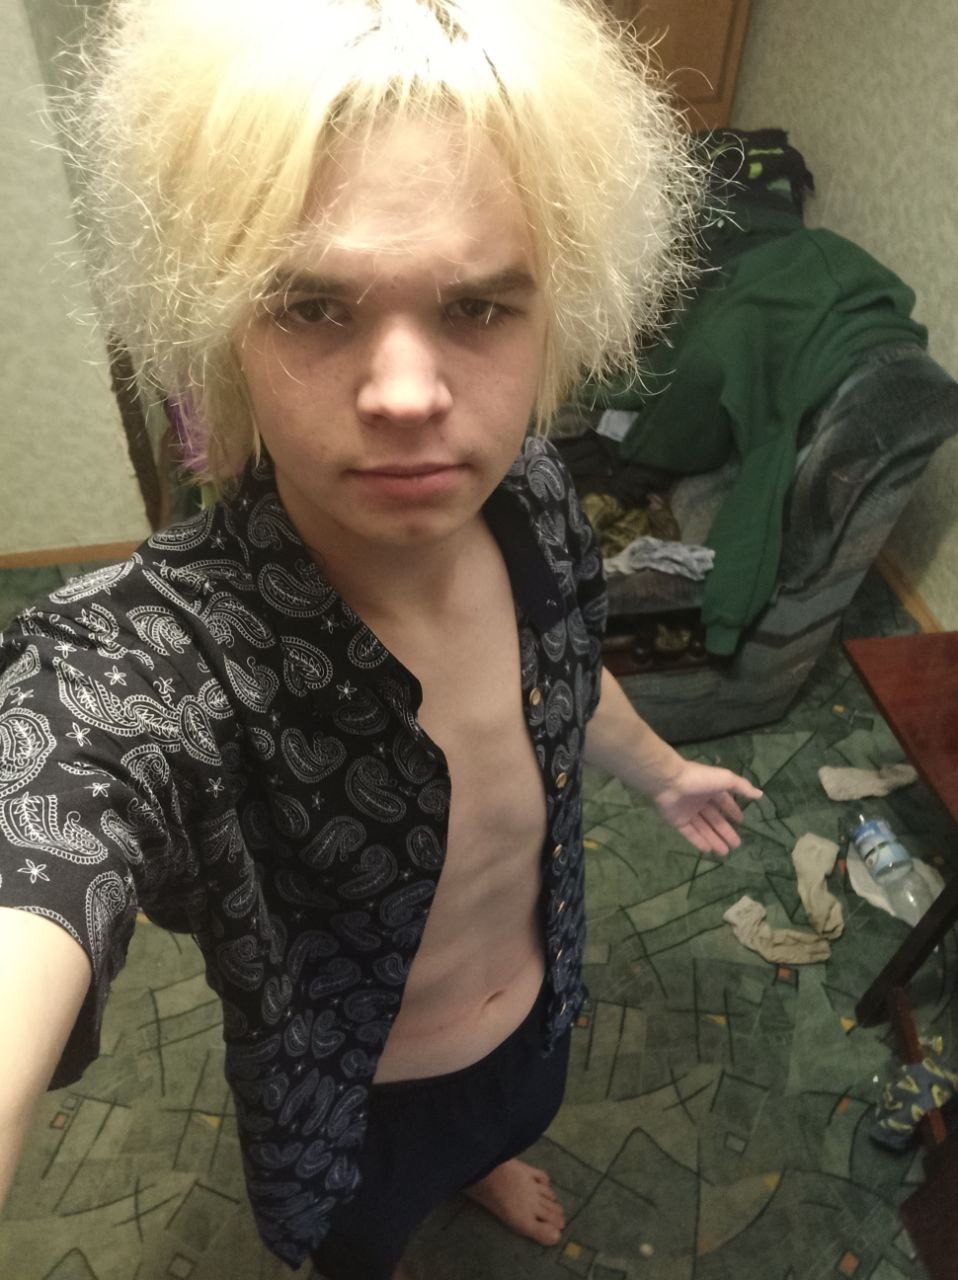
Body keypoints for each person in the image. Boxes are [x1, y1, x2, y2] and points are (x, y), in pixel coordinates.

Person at [0, 1, 762, 1276]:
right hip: (353, 1102)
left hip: (540, 1009)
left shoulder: (531, 495)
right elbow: (47, 814)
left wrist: (665, 770)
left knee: (511, 1118)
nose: (406, 392)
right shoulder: (153, 661)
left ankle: (486, 1155)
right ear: (223, 320)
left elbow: (561, 674)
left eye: (477, 307)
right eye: (312, 305)